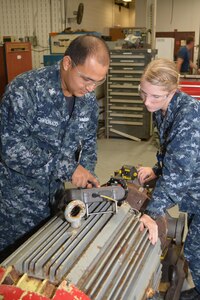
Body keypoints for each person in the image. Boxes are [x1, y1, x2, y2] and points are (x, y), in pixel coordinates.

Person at [0, 34, 110, 258]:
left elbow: (88, 144)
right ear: (67, 63)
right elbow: (11, 148)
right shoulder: (25, 91)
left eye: (98, 82)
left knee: (45, 259)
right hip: (16, 204)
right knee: (12, 264)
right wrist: (68, 169)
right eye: (86, 79)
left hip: (55, 201)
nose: (91, 88)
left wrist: (86, 177)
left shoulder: (88, 103)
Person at [137, 58, 200, 300]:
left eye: (154, 96)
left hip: (194, 186)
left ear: (172, 92)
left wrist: (151, 213)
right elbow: (173, 152)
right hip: (194, 188)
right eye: (144, 93)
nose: (147, 102)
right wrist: (156, 170)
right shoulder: (162, 109)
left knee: (195, 250)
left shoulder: (188, 116)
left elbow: (179, 175)